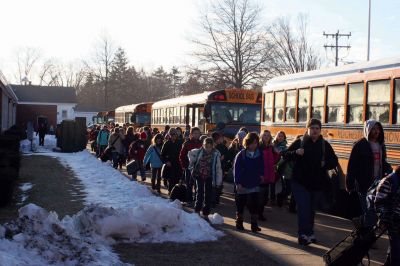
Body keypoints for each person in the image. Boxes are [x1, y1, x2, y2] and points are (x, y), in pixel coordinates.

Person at [283, 119, 338, 245]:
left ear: (320, 130)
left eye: (317, 128)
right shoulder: (300, 142)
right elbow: (285, 154)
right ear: (307, 129)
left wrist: (325, 164)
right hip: (299, 182)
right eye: (312, 128)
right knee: (303, 208)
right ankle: (303, 234)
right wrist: (295, 152)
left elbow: (334, 161)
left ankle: (310, 232)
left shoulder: (324, 144)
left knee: (311, 210)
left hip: (317, 183)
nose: (314, 130)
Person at [346, 120, 392, 229]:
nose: (376, 131)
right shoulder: (360, 145)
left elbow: (382, 162)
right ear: (368, 130)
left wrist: (389, 170)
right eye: (373, 129)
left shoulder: (381, 145)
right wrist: (350, 183)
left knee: (374, 210)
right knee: (368, 210)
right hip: (363, 183)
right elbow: (352, 165)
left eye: (378, 129)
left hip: (377, 183)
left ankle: (361, 222)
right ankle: (368, 235)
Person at [234, 132, 264, 233]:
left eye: (255, 143)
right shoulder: (241, 154)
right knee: (241, 204)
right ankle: (239, 222)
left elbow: (261, 166)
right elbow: (237, 169)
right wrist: (238, 183)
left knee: (255, 204)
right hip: (243, 183)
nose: (253, 145)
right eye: (251, 143)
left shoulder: (259, 154)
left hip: (254, 182)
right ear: (247, 143)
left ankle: (254, 225)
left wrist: (261, 175)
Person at [189, 137, 223, 220]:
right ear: (203, 146)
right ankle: (197, 211)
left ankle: (206, 213)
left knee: (208, 195)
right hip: (199, 175)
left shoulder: (215, 154)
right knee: (199, 193)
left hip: (209, 176)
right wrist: (192, 164)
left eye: (210, 147)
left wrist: (218, 182)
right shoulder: (198, 152)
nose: (208, 149)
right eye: (206, 146)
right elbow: (190, 153)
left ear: (212, 147)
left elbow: (218, 168)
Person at [374, 166, 400, 266]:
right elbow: (379, 202)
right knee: (397, 250)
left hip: (397, 220)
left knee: (396, 249)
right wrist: (385, 219)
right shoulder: (389, 181)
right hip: (391, 220)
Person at [258, 130, 280, 220]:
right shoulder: (259, 147)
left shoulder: (271, 147)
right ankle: (258, 214)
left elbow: (275, 160)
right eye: (265, 135)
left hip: (268, 173)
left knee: (265, 195)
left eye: (268, 135)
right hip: (261, 174)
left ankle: (260, 212)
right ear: (262, 136)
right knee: (260, 195)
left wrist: (276, 153)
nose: (266, 137)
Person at [179, 127, 202, 203]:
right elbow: (182, 156)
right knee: (189, 183)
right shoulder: (187, 143)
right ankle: (189, 199)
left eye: (198, 133)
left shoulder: (201, 143)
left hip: (199, 167)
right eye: (195, 133)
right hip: (189, 167)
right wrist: (184, 166)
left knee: (198, 184)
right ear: (191, 134)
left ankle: (197, 199)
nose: (196, 135)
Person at [161, 128, 183, 193]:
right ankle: (170, 192)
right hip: (170, 165)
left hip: (178, 164)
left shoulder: (180, 142)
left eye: (175, 134)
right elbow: (162, 155)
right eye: (172, 134)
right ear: (169, 135)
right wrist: (166, 161)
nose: (173, 136)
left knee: (177, 179)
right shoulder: (167, 143)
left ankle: (176, 193)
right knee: (170, 180)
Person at [212, 132, 229, 204]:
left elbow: (227, 156)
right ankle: (213, 200)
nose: (221, 139)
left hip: (221, 168)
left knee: (219, 184)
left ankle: (216, 199)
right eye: (220, 138)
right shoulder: (212, 146)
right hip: (212, 169)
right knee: (213, 185)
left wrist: (224, 157)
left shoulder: (223, 147)